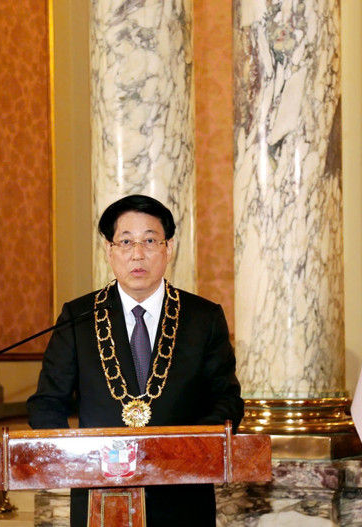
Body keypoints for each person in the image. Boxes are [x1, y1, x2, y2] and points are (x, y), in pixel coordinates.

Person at [27, 194, 244, 527]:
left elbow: (227, 401)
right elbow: (46, 404)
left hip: (183, 492)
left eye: (150, 241)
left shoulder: (203, 317)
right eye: (126, 242)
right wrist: (76, 459)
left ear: (169, 248)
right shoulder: (79, 317)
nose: (137, 254)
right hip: (100, 495)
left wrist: (182, 452)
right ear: (109, 250)